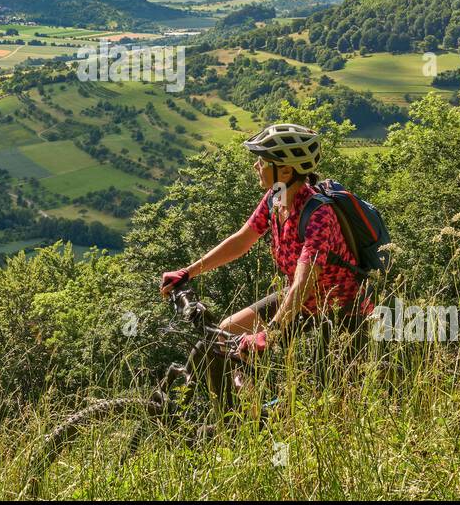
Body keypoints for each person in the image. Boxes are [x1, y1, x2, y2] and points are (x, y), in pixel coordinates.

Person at [159, 123, 373, 358]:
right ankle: (242, 391)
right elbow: (242, 241)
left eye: (262, 161)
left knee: (326, 388)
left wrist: (270, 334)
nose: (255, 166)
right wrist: (187, 272)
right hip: (299, 300)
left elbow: (304, 283)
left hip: (341, 311)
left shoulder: (319, 215)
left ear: (285, 171)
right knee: (222, 336)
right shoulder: (277, 196)